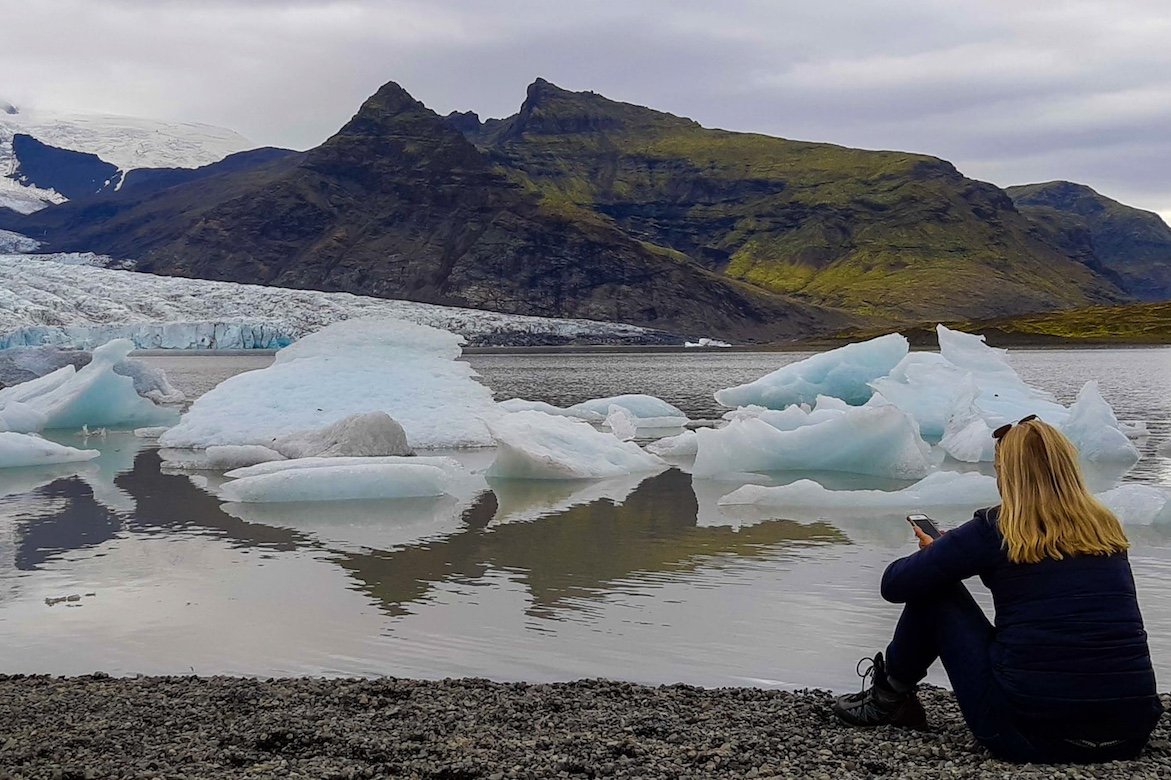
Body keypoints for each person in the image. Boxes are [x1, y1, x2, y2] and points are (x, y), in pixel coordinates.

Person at [832, 415, 1164, 763]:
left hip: (1029, 737)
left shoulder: (997, 528)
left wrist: (938, 556)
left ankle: (888, 698)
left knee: (934, 590)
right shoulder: (1105, 528)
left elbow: (894, 584)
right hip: (1130, 734)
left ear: (1008, 474)